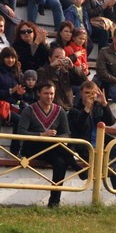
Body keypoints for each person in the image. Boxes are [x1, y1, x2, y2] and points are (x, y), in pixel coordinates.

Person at [68, 80, 116, 206]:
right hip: (86, 147)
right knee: (112, 168)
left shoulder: (98, 107)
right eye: (86, 93)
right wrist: (86, 109)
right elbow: (79, 127)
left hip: (103, 144)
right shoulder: (74, 110)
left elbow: (111, 121)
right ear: (80, 93)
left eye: (92, 93)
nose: (89, 96)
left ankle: (113, 164)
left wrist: (104, 104)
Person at [17, 80, 78, 208]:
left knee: (60, 163)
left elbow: (66, 133)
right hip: (32, 148)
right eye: (46, 93)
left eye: (51, 93)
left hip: (53, 148)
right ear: (39, 93)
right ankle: (76, 166)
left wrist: (55, 138)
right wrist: (41, 135)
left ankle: (54, 202)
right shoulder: (29, 110)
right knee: (56, 149)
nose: (49, 96)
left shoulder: (59, 110)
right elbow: (21, 132)